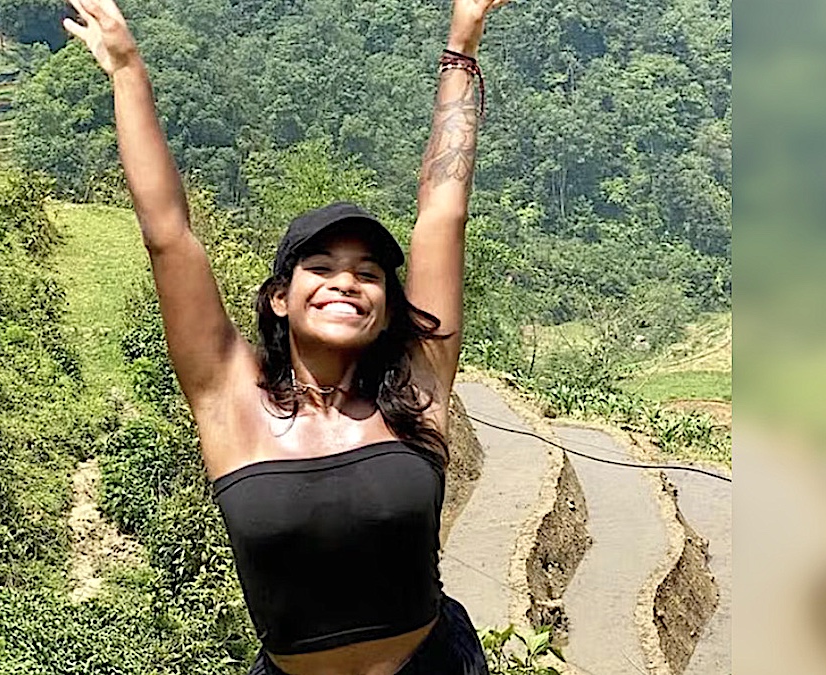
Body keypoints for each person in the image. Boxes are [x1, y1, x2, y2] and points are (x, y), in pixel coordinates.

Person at [63, 0, 506, 672]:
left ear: (388, 306)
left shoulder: (417, 388)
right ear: (280, 297)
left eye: (368, 274)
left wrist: (462, 42)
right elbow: (168, 235)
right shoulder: (230, 400)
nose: (346, 282)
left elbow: (443, 211)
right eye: (320, 268)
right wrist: (127, 70)